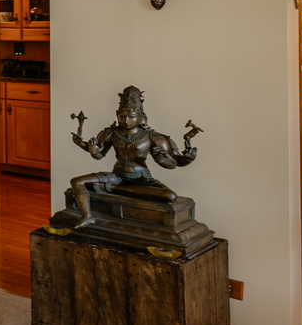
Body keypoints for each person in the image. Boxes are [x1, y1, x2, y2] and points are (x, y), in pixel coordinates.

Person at [55, 86, 201, 230]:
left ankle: (114, 189)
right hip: (117, 175)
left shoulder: (152, 137)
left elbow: (173, 164)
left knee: (170, 196)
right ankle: (87, 216)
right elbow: (99, 155)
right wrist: (88, 148)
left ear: (141, 117)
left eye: (131, 117)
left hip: (142, 179)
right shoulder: (111, 133)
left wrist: (187, 158)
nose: (126, 120)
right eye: (122, 116)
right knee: (77, 181)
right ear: (117, 115)